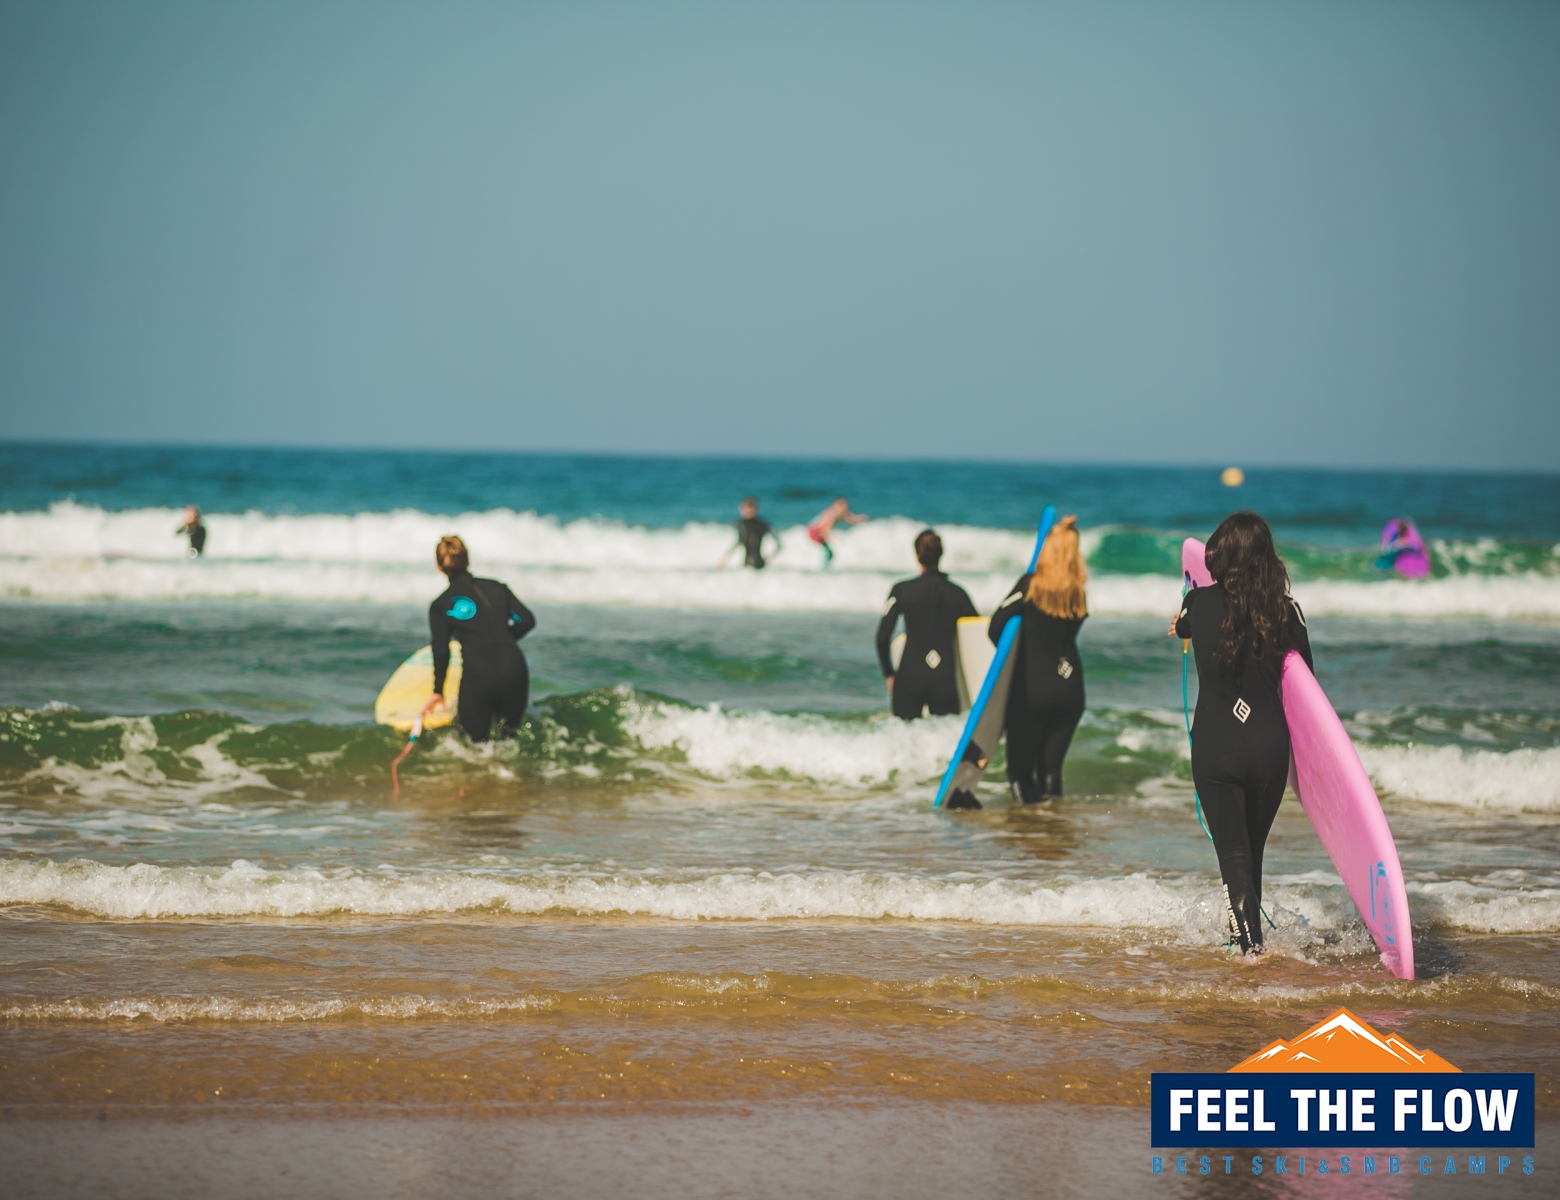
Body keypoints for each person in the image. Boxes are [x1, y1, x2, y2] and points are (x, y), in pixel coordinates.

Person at [1169, 511, 1313, 955]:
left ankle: (1251, 954)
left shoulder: (1198, 604)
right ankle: (1247, 943)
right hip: (1269, 750)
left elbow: (1184, 623)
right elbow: (1307, 682)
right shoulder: (1286, 612)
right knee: (1252, 855)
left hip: (1218, 747)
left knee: (1234, 857)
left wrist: (1182, 626)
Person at [987, 515, 1088, 806]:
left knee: (1020, 772)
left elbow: (995, 627)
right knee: (1051, 770)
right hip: (1070, 689)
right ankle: (1052, 826)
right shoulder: (1078, 592)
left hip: (1033, 689)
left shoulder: (1030, 586)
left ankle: (1028, 827)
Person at [421, 535, 537, 743]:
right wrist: (503, 640)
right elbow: (527, 620)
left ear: (439, 566)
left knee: (475, 747)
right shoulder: (497, 587)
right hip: (514, 669)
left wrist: (438, 691)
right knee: (509, 741)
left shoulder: (441, 605)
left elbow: (441, 651)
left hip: (479, 675)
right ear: (468, 560)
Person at [876, 530, 977, 720]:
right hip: (944, 681)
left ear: (916, 555)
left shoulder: (901, 590)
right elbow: (976, 635)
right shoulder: (959, 594)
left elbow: (882, 638)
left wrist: (889, 674)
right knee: (945, 734)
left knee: (904, 733)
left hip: (909, 678)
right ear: (941, 554)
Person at [720, 496, 781, 569]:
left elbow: (738, 543)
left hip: (753, 565)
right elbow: (779, 545)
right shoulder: (762, 524)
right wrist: (725, 560)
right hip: (755, 565)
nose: (748, 512)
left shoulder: (741, 524)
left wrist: (769, 558)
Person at [807, 496, 867, 568]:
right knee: (829, 552)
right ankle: (823, 568)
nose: (844, 509)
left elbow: (849, 518)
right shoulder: (830, 514)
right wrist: (835, 539)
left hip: (819, 531)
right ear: (836, 506)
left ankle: (824, 567)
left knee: (829, 553)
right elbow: (824, 529)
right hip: (814, 531)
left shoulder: (840, 513)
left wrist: (860, 519)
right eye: (842, 506)